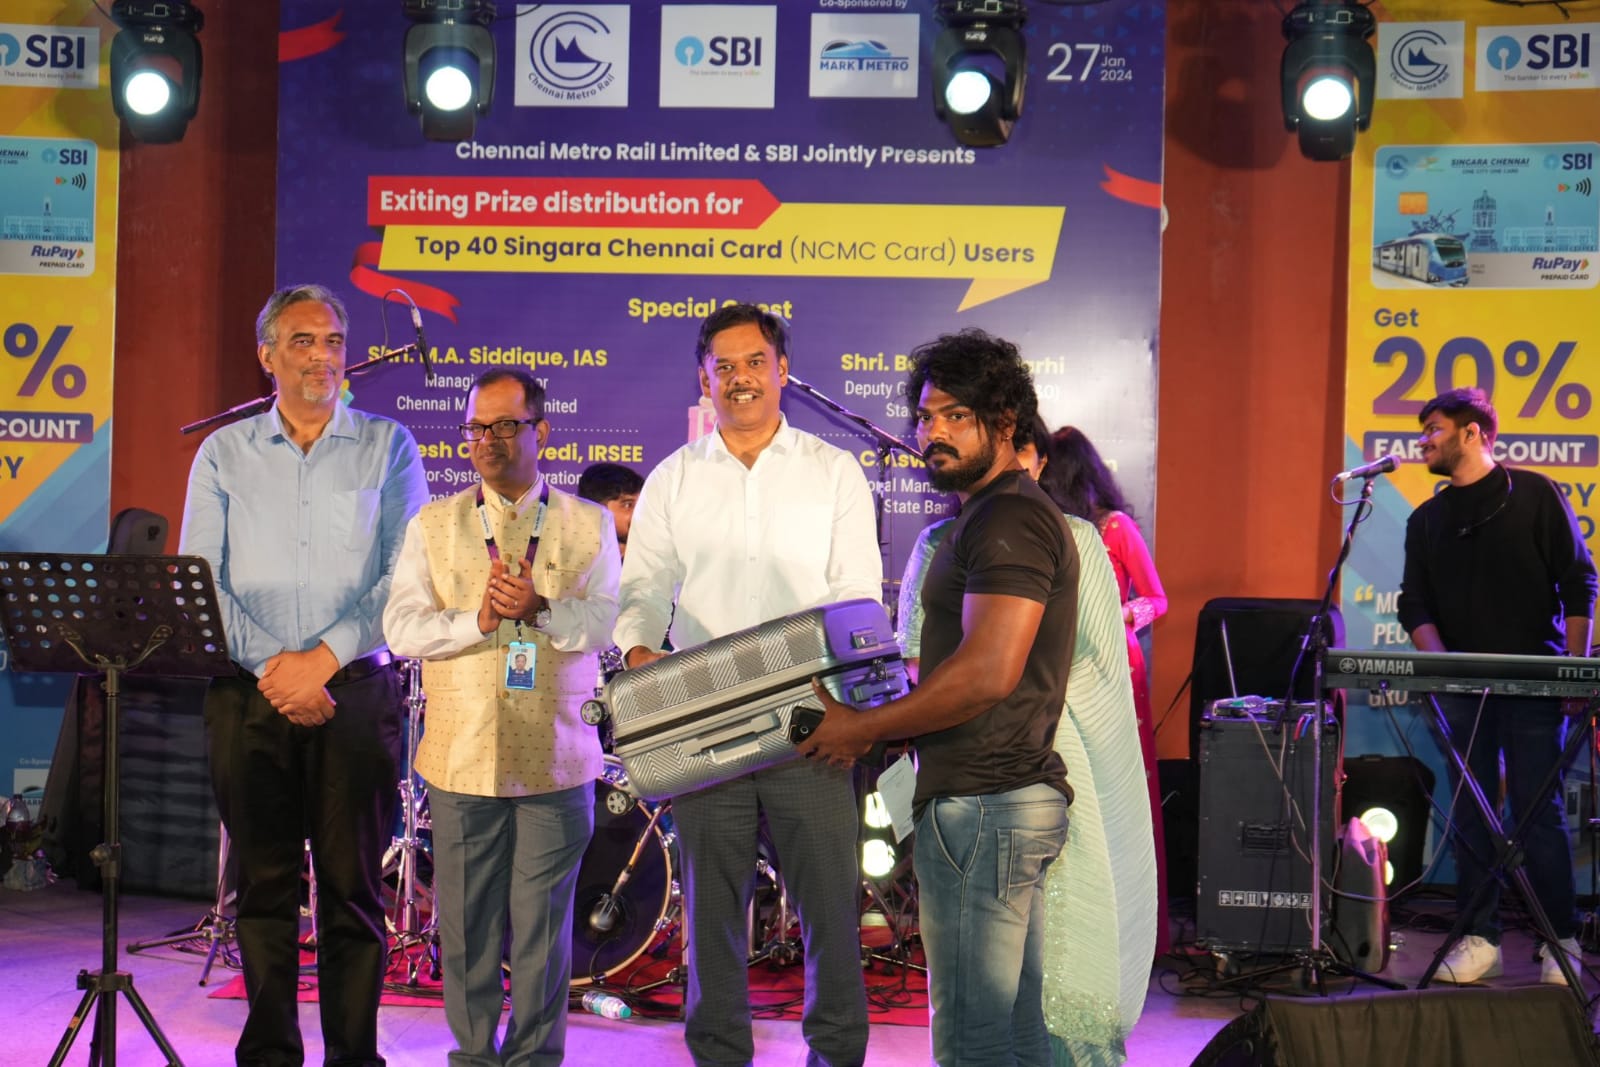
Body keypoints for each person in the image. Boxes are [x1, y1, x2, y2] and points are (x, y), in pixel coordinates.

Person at [800, 328, 1078, 1066]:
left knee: (972, 1040)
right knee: (1015, 1031)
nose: (934, 432)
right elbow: (973, 659)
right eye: (926, 416)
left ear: (1006, 422)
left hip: (986, 803)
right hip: (1000, 799)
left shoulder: (1010, 518)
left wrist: (865, 726)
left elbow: (987, 671)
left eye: (957, 415)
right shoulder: (987, 515)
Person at [613, 303, 878, 1067]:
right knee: (712, 911)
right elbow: (643, 588)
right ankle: (720, 1053)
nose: (740, 378)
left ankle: (836, 1054)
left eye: (754, 361)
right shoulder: (674, 479)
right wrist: (639, 651)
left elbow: (857, 594)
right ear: (703, 380)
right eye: (723, 366)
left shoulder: (832, 471)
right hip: (706, 717)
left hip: (810, 715)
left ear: (783, 369)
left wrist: (844, 705)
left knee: (829, 907)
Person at [179, 284, 427, 1066]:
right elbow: (201, 579)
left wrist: (321, 660)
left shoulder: (389, 446)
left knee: (354, 894)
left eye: (333, 340)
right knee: (264, 891)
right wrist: (275, 670)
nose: (322, 356)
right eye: (302, 340)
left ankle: (355, 1056)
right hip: (247, 698)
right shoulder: (223, 453)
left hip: (354, 694)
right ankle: (270, 1054)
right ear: (267, 355)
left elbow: (405, 574)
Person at [383, 368, 620, 1065]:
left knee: (543, 930)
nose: (488, 440)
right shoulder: (433, 524)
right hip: (460, 756)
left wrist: (542, 610)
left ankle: (535, 1057)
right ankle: (473, 1056)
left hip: (556, 756)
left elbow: (606, 622)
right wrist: (476, 621)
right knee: (466, 929)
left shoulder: (588, 522)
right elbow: (400, 628)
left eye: (506, 425)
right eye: (477, 428)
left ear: (541, 431)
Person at [1397, 387, 1595, 985]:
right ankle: (1480, 938)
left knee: (1537, 811)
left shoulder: (1535, 494)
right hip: (1463, 691)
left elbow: (1579, 581)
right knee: (1471, 810)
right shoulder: (1425, 519)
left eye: (1434, 428)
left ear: (1473, 433)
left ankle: (1559, 939)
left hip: (1536, 682)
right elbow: (1414, 604)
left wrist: (1575, 669)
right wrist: (1442, 669)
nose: (1423, 441)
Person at [1040, 425, 1170, 956]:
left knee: (1116, 786)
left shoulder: (1113, 526)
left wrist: (1112, 617)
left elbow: (1156, 599)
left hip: (1113, 663)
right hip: (1057, 663)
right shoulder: (1044, 525)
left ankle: (1130, 932)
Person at [576, 462, 643, 560]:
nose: (640, 513)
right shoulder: (571, 561)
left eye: (642, 504)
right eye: (628, 505)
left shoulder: (655, 562)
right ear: (596, 509)